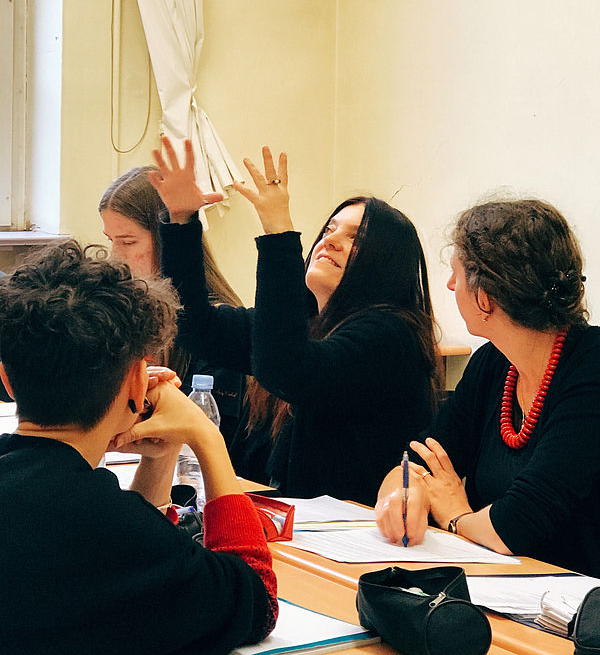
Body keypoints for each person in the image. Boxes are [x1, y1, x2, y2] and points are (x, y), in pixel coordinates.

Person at [0, 240, 277, 655]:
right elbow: (255, 600)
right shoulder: (110, 524)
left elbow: (144, 567)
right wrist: (207, 437)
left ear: (6, 379)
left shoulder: (85, 506)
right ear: (135, 381)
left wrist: (162, 456)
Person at [148, 137, 442, 506]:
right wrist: (182, 219)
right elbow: (195, 327)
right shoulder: (305, 320)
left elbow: (286, 369)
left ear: (384, 265)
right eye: (330, 229)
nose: (331, 241)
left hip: (361, 537)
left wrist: (279, 233)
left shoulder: (392, 335)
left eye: (355, 238)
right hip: (305, 526)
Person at [376, 198, 600, 578]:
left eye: (457, 274)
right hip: (506, 588)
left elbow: (517, 525)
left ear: (486, 297)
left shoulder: (590, 367)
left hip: (575, 613)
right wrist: (404, 496)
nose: (450, 284)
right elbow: (417, 460)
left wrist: (455, 517)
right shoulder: (494, 363)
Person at [99, 165, 245, 446]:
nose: (115, 257)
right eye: (110, 241)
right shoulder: (123, 306)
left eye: (128, 241)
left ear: (168, 241)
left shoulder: (216, 324)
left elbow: (206, 437)